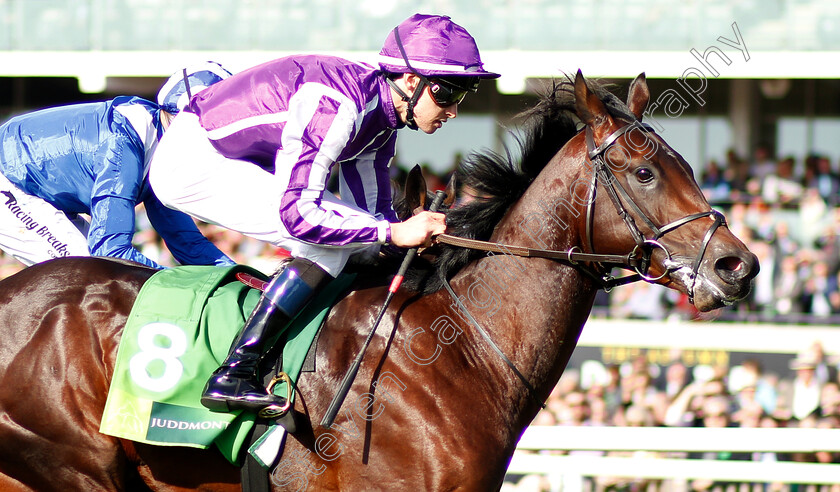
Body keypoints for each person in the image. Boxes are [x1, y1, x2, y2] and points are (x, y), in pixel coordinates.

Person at [148, 14, 499, 413]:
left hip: (232, 159)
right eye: (448, 93)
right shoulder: (339, 104)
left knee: (361, 243)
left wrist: (402, 238)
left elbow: (374, 216)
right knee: (330, 244)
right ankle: (236, 371)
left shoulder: (383, 123)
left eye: (462, 96)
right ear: (409, 81)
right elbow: (299, 213)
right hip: (194, 161)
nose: (453, 111)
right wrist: (395, 234)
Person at [0, 61, 234, 269]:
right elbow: (110, 252)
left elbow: (187, 243)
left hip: (35, 187)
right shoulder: (123, 142)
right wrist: (176, 284)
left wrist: (244, 279)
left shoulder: (161, 146)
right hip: (9, 179)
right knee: (90, 272)